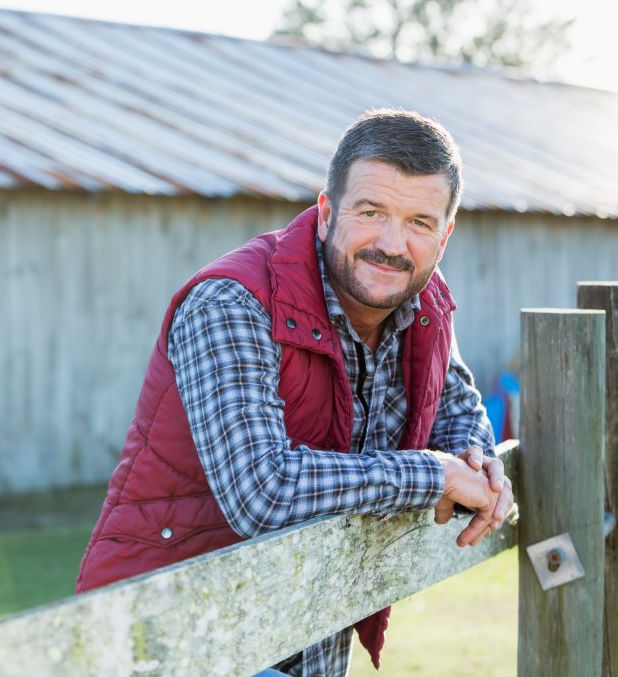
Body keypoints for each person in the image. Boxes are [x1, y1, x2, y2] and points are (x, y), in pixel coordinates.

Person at [74, 109, 514, 676]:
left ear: (444, 235)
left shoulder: (420, 297)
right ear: (326, 213)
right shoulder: (230, 303)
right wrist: (436, 474)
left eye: (419, 222)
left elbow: (456, 410)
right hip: (172, 638)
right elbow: (263, 491)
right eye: (371, 212)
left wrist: (478, 464)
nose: (391, 243)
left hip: (304, 629)